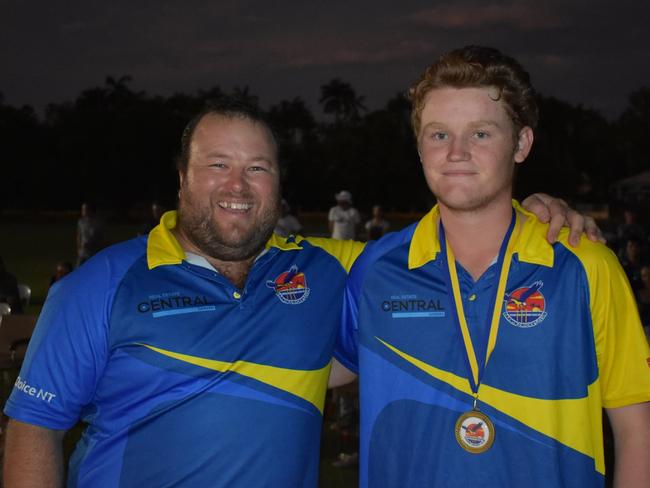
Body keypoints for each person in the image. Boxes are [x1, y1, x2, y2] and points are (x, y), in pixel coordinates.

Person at [3, 96, 601, 488]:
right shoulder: (99, 285)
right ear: (182, 177)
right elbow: (34, 428)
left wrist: (533, 209)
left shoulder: (325, 269)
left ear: (279, 184)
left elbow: (448, 245)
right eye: (217, 165)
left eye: (258, 168)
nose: (238, 185)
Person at [333, 46, 650, 487]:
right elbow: (307, 365)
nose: (456, 152)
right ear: (420, 146)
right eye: (439, 134)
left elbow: (638, 431)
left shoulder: (586, 267)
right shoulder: (375, 268)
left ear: (521, 144)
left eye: (481, 134)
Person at [76, 202, 105, 266]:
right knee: (79, 268)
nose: (83, 211)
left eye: (85, 209)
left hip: (94, 251)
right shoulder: (81, 222)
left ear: (90, 210)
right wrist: (79, 248)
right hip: (83, 251)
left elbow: (102, 237)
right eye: (82, 209)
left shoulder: (98, 222)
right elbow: (79, 235)